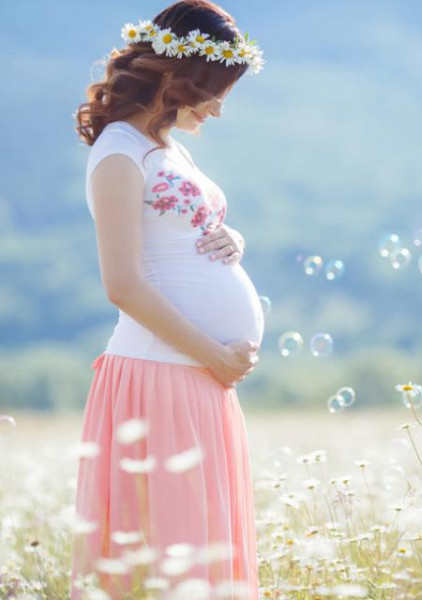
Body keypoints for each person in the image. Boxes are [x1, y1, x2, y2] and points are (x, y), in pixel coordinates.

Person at [70, 1, 266, 598]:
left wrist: (232, 238)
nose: (219, 106)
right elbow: (123, 283)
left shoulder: (168, 148)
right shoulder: (118, 152)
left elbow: (175, 236)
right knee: (169, 558)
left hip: (199, 376)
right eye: (213, 89)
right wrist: (214, 353)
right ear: (178, 79)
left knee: (203, 555)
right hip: (162, 374)